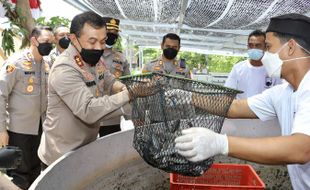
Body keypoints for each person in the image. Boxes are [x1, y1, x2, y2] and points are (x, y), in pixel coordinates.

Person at [175, 13, 310, 189]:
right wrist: (189, 97)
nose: (264, 55)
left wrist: (221, 143)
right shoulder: (282, 93)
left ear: (290, 48)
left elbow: (301, 149)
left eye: (268, 47)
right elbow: (234, 107)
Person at [37, 11, 134, 169]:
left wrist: (122, 87)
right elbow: (88, 110)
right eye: (92, 41)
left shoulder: (93, 59)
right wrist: (128, 95)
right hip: (60, 155)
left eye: (102, 41)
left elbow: (108, 79)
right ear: (74, 38)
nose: (98, 47)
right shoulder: (65, 68)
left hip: (84, 148)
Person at [0, 26, 53, 189]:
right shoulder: (15, 63)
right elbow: (1, 95)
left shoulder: (47, 64)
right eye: (46, 41)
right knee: (19, 175)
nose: (49, 45)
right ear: (34, 40)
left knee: (37, 172)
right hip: (18, 130)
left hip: (40, 128)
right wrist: (1, 130)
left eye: (51, 42)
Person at [225, 30, 282, 99]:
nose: (253, 48)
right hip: (242, 109)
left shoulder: (273, 69)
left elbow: (279, 95)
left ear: (265, 47)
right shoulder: (238, 68)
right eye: (250, 45)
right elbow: (228, 94)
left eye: (258, 45)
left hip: (264, 109)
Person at [99, 17, 131, 137]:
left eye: (115, 34)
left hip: (112, 114)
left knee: (109, 149)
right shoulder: (90, 54)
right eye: (109, 33)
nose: (112, 36)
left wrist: (129, 115)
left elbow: (128, 85)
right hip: (88, 114)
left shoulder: (121, 58)